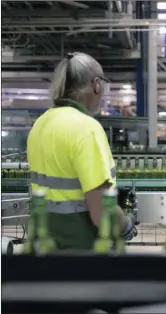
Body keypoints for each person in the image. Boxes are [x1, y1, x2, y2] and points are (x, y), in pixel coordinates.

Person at [27, 52, 136, 250]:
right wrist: (126, 225)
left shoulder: (41, 124)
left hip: (44, 248)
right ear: (96, 84)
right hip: (81, 252)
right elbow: (102, 213)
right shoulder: (86, 128)